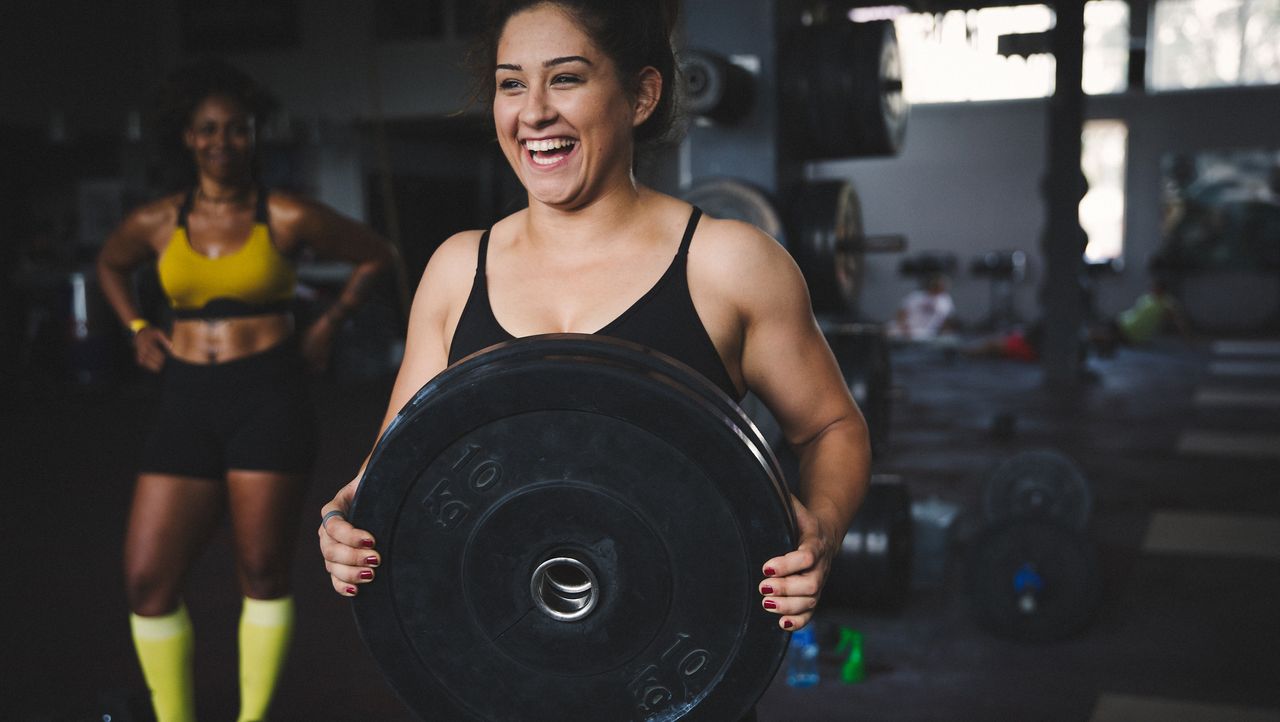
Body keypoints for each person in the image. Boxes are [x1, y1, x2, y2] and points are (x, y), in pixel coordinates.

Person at [317, 0, 870, 711]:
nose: (534, 112)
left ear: (642, 94)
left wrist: (821, 530)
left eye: (566, 79)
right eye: (511, 84)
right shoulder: (459, 270)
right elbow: (399, 463)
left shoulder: (726, 265)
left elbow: (832, 427)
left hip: (673, 674)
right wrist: (346, 520)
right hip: (512, 678)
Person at [96, 58, 394, 722]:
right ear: (188, 137)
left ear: (253, 136)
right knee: (147, 579)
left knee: (261, 574)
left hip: (268, 395)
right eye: (208, 130)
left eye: (236, 130)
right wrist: (140, 327)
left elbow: (377, 252)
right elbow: (112, 264)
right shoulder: (157, 221)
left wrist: (329, 325)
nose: (222, 142)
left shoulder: (285, 215)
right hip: (185, 398)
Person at [888, 272, 956, 341]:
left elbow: (947, 319)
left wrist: (945, 332)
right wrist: (903, 326)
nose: (940, 287)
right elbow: (901, 312)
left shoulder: (946, 300)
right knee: (890, 331)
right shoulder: (917, 296)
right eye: (937, 285)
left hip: (927, 333)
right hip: (906, 330)